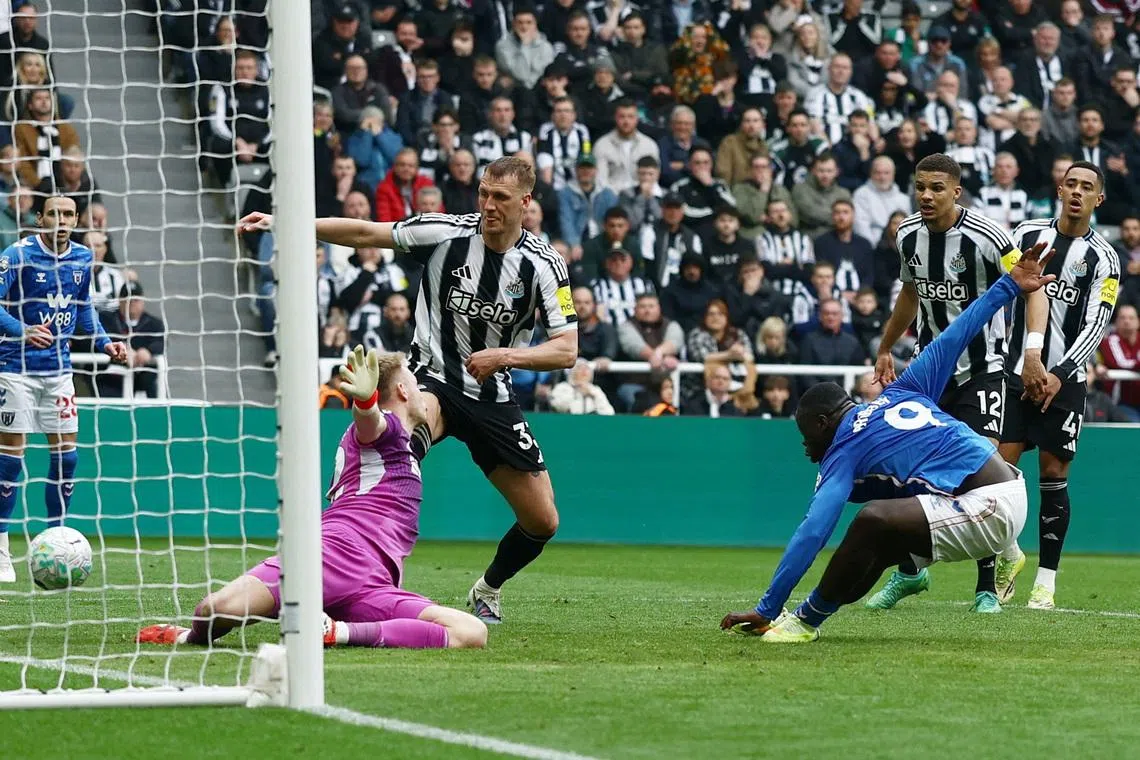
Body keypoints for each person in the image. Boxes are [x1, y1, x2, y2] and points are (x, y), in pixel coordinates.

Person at [239, 157, 578, 625]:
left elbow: (566, 350)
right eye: (483, 193)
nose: (488, 205)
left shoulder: (543, 265)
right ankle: (343, 564)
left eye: (500, 197)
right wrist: (285, 222)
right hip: (429, 379)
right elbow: (364, 233)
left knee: (543, 521)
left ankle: (488, 588)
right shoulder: (445, 234)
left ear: (526, 202)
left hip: (491, 394)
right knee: (395, 445)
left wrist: (503, 357)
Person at [718, 243, 1055, 642]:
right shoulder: (903, 390)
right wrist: (1008, 286)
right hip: (1006, 489)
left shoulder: (844, 449)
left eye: (807, 436)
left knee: (872, 519)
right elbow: (956, 334)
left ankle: (800, 622)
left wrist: (766, 605)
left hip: (988, 505)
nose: (808, 450)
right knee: (871, 549)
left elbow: (813, 532)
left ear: (824, 423)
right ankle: (813, 616)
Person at [138, 347, 488, 650]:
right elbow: (370, 423)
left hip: (375, 582)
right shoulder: (389, 433)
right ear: (402, 390)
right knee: (216, 610)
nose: (422, 389)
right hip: (336, 555)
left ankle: (335, 631)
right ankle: (187, 636)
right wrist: (365, 403)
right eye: (415, 382)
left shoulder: (403, 446)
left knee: (471, 631)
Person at [867, 153, 1048, 614]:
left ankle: (987, 587)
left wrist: (1031, 352)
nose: (926, 195)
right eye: (920, 187)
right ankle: (911, 573)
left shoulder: (990, 238)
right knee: (909, 466)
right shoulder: (907, 234)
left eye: (936, 188)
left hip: (984, 367)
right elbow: (911, 292)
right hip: (931, 369)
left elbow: (1032, 285)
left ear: (956, 192)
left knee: (979, 473)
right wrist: (887, 345)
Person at [996, 161, 1120, 610]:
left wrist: (1059, 373)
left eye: (1087, 187)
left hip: (1063, 381)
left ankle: (1045, 582)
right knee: (995, 475)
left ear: (1098, 199)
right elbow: (1001, 291)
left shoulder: (1104, 257)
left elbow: (1096, 323)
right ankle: (1009, 554)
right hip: (1012, 374)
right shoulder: (1026, 234)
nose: (1077, 192)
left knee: (1052, 475)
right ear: (1059, 188)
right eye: (1071, 184)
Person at [0, 195, 127, 581]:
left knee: (67, 456)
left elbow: (82, 305)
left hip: (59, 370)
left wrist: (105, 341)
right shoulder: (17, 255)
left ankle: (56, 538)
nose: (62, 220)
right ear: (40, 218)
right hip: (14, 368)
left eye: (69, 214)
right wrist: (22, 330)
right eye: (54, 213)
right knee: (11, 457)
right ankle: (2, 545)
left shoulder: (82, 257)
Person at [96, 281, 166, 399]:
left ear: (142, 301)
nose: (131, 303)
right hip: (111, 380)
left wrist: (147, 351)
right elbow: (97, 340)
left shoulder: (154, 324)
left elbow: (161, 342)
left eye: (135, 299)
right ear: (119, 300)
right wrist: (122, 349)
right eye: (127, 299)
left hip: (143, 379)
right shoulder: (107, 319)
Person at [548, 359, 615, 415]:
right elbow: (558, 406)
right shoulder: (562, 387)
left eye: (587, 368)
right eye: (579, 367)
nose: (584, 371)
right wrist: (576, 391)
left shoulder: (595, 390)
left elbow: (609, 413)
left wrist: (593, 395)